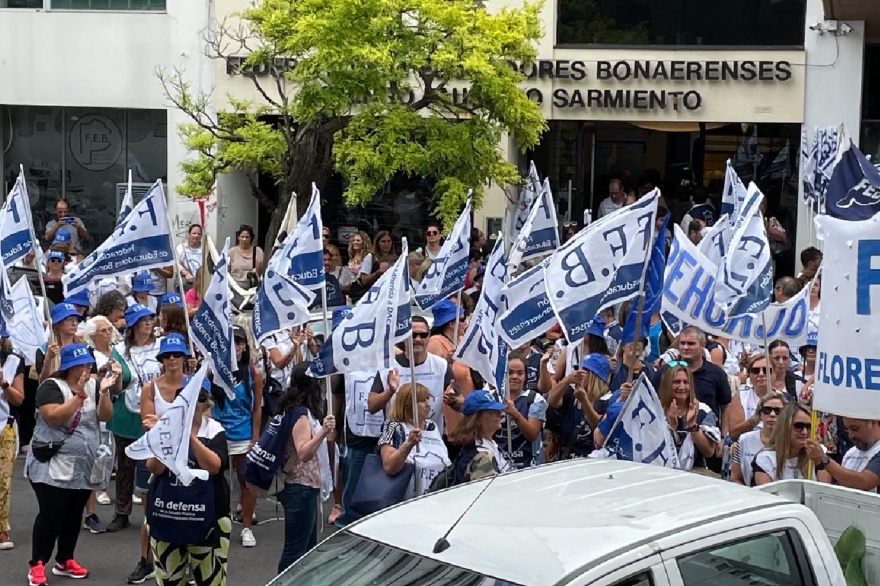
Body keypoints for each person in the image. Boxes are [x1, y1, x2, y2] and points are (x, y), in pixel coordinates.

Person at [25, 344, 118, 586]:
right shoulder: (51, 387)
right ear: (68, 367)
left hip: (84, 465)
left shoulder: (94, 385)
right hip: (52, 463)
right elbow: (54, 417)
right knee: (51, 512)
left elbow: (105, 416)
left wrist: (104, 393)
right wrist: (78, 395)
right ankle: (37, 563)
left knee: (73, 513)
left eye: (88, 364)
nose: (85, 369)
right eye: (80, 365)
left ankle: (65, 559)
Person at [146, 378, 231, 586]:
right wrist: (164, 436)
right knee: (169, 581)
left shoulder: (214, 430)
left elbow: (214, 466)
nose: (192, 402)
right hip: (168, 517)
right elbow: (154, 468)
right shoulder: (165, 428)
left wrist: (189, 437)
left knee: (211, 581)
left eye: (198, 398)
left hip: (209, 521)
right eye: (186, 397)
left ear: (207, 403)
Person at [130, 332, 187, 584]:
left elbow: (203, 419)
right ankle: (146, 561)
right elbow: (147, 424)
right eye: (167, 355)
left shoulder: (194, 385)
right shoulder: (150, 388)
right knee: (150, 514)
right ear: (161, 359)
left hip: (185, 457)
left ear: (184, 357)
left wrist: (163, 422)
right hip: (155, 457)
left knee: (185, 510)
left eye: (177, 354)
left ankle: (183, 561)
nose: (172, 359)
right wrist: (174, 424)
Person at [275, 363, 334, 574]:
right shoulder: (301, 416)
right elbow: (304, 452)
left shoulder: (294, 409)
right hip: (300, 488)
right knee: (295, 551)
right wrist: (323, 432)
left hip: (303, 487)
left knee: (307, 549)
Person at [652, 326, 731, 473]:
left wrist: (723, 436)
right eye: (682, 343)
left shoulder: (716, 373)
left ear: (702, 345)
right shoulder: (663, 372)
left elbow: (725, 407)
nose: (685, 347)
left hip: (704, 444)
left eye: (691, 343)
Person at [211, 325, 262, 548]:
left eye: (240, 342)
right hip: (218, 433)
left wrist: (255, 437)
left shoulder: (253, 373)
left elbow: (257, 408)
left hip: (242, 434)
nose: (237, 346)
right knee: (214, 480)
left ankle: (247, 527)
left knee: (246, 482)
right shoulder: (213, 370)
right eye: (232, 342)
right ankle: (215, 524)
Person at [83, 316, 133, 530]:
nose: (108, 333)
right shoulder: (89, 353)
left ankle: (103, 486)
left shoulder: (117, 351)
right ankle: (97, 491)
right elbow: (86, 378)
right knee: (97, 453)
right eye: (103, 330)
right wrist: (101, 375)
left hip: (116, 404)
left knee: (111, 452)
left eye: (109, 329)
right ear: (93, 335)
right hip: (95, 405)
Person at [368, 316, 458, 434]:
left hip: (431, 438)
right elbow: (371, 406)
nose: (418, 339)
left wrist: (452, 400)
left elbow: (461, 403)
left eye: (423, 335)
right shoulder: (388, 367)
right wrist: (390, 391)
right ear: (404, 337)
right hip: (397, 438)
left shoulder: (441, 365)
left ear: (429, 336)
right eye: (413, 335)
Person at [377, 382, 450, 498]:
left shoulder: (432, 427)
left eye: (427, 399)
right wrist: (408, 445)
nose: (428, 404)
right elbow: (389, 466)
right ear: (408, 405)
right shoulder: (396, 428)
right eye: (421, 401)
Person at [657, 365, 721, 471]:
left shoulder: (703, 411)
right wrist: (671, 427)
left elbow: (709, 452)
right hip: (661, 469)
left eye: (686, 382)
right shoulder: (656, 410)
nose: (682, 387)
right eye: (676, 382)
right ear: (667, 385)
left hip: (695, 470)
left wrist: (693, 427)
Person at [548, 354, 609, 461]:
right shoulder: (572, 394)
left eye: (583, 371)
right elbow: (552, 401)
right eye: (577, 370)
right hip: (566, 459)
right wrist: (566, 380)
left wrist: (584, 401)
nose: (578, 373)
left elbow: (598, 426)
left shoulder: (607, 400)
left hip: (591, 462)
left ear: (595, 376)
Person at [753, 403, 831, 485]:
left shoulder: (818, 454)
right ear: (784, 427)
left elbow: (824, 490)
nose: (804, 432)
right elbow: (765, 491)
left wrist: (820, 459)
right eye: (798, 426)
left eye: (808, 427)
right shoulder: (766, 458)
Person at [447, 389, 513, 483]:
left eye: (498, 410)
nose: (499, 414)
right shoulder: (481, 454)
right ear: (478, 419)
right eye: (491, 412)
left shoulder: (490, 444)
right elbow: (490, 490)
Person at [496, 353, 547, 469]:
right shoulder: (492, 398)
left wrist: (515, 414)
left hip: (528, 465)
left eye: (520, 373)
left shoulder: (535, 399)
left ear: (525, 376)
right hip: (498, 465)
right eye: (510, 372)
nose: (515, 377)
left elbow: (532, 434)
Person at [0, 329, 25, 550]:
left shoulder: (13, 360)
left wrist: (4, 384)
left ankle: (1, 528)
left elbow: (19, 399)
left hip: (4, 426)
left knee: (3, 481)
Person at [806, 418, 880, 492]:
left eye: (855, 429)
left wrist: (824, 459)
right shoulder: (851, 453)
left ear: (873, 423)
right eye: (847, 430)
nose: (850, 435)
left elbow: (864, 482)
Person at [729, 392, 787, 486]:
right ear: (760, 414)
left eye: (778, 411)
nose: (772, 414)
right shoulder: (744, 440)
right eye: (767, 410)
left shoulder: (790, 442)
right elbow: (735, 478)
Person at [37, 303, 84, 384]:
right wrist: (48, 359)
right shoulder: (43, 350)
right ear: (57, 324)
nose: (75, 323)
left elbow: (92, 375)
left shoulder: (84, 347)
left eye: (76, 319)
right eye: (69, 319)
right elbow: (42, 383)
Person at [228, 224, 264, 290]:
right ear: (238, 237)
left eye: (247, 237)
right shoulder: (231, 252)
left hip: (252, 290)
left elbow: (262, 271)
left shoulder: (258, 251)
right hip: (234, 289)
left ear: (251, 238)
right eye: (242, 237)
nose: (244, 239)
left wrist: (256, 270)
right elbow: (226, 272)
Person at [176, 224, 204, 290]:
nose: (196, 235)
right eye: (194, 233)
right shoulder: (181, 248)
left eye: (199, 234)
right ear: (189, 234)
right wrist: (185, 273)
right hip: (185, 283)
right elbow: (176, 263)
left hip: (200, 283)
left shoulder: (204, 249)